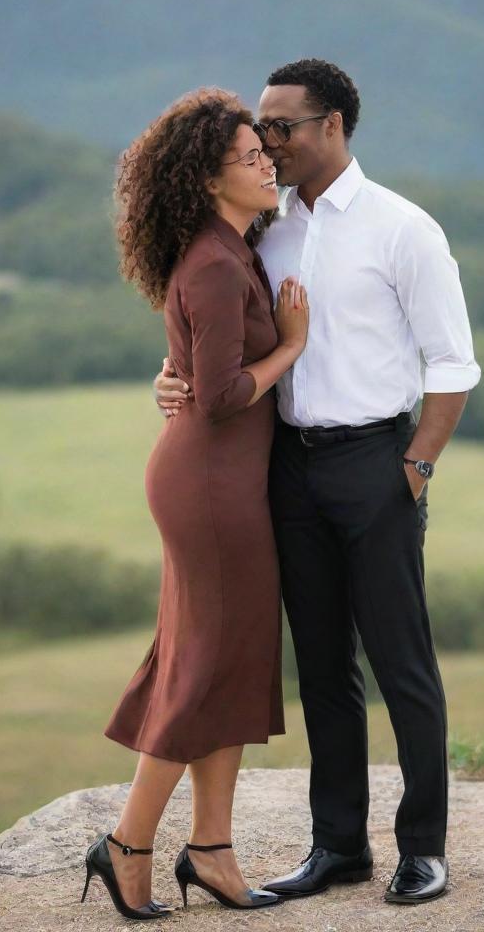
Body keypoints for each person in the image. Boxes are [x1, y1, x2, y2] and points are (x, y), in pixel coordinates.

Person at [154, 59, 481, 906]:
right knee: (324, 667)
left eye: (284, 127)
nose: (269, 143)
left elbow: (453, 365)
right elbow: (217, 319)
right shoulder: (269, 227)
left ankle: (424, 848)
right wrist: (170, 374)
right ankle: (338, 845)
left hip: (377, 463)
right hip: (288, 469)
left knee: (402, 661)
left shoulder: (404, 229)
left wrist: (414, 468)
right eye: (262, 131)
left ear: (333, 125)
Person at [82, 88, 310, 921]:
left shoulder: (230, 247)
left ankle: (211, 850)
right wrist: (291, 346)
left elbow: (194, 359)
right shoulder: (218, 262)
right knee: (205, 667)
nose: (267, 165)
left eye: (265, 153)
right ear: (211, 179)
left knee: (231, 661)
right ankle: (127, 843)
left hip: (219, 483)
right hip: (210, 488)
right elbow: (216, 397)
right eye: (252, 158)